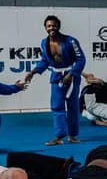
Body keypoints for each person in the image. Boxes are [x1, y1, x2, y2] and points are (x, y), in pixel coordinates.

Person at [23, 15, 86, 146]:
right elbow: (45, 61)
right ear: (45, 28)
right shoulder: (44, 43)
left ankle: (73, 135)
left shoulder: (70, 41)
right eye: (49, 26)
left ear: (58, 26)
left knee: (73, 106)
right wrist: (33, 72)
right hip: (56, 77)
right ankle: (59, 136)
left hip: (71, 76)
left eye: (54, 25)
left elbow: (81, 59)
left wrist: (72, 74)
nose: (51, 28)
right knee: (57, 106)